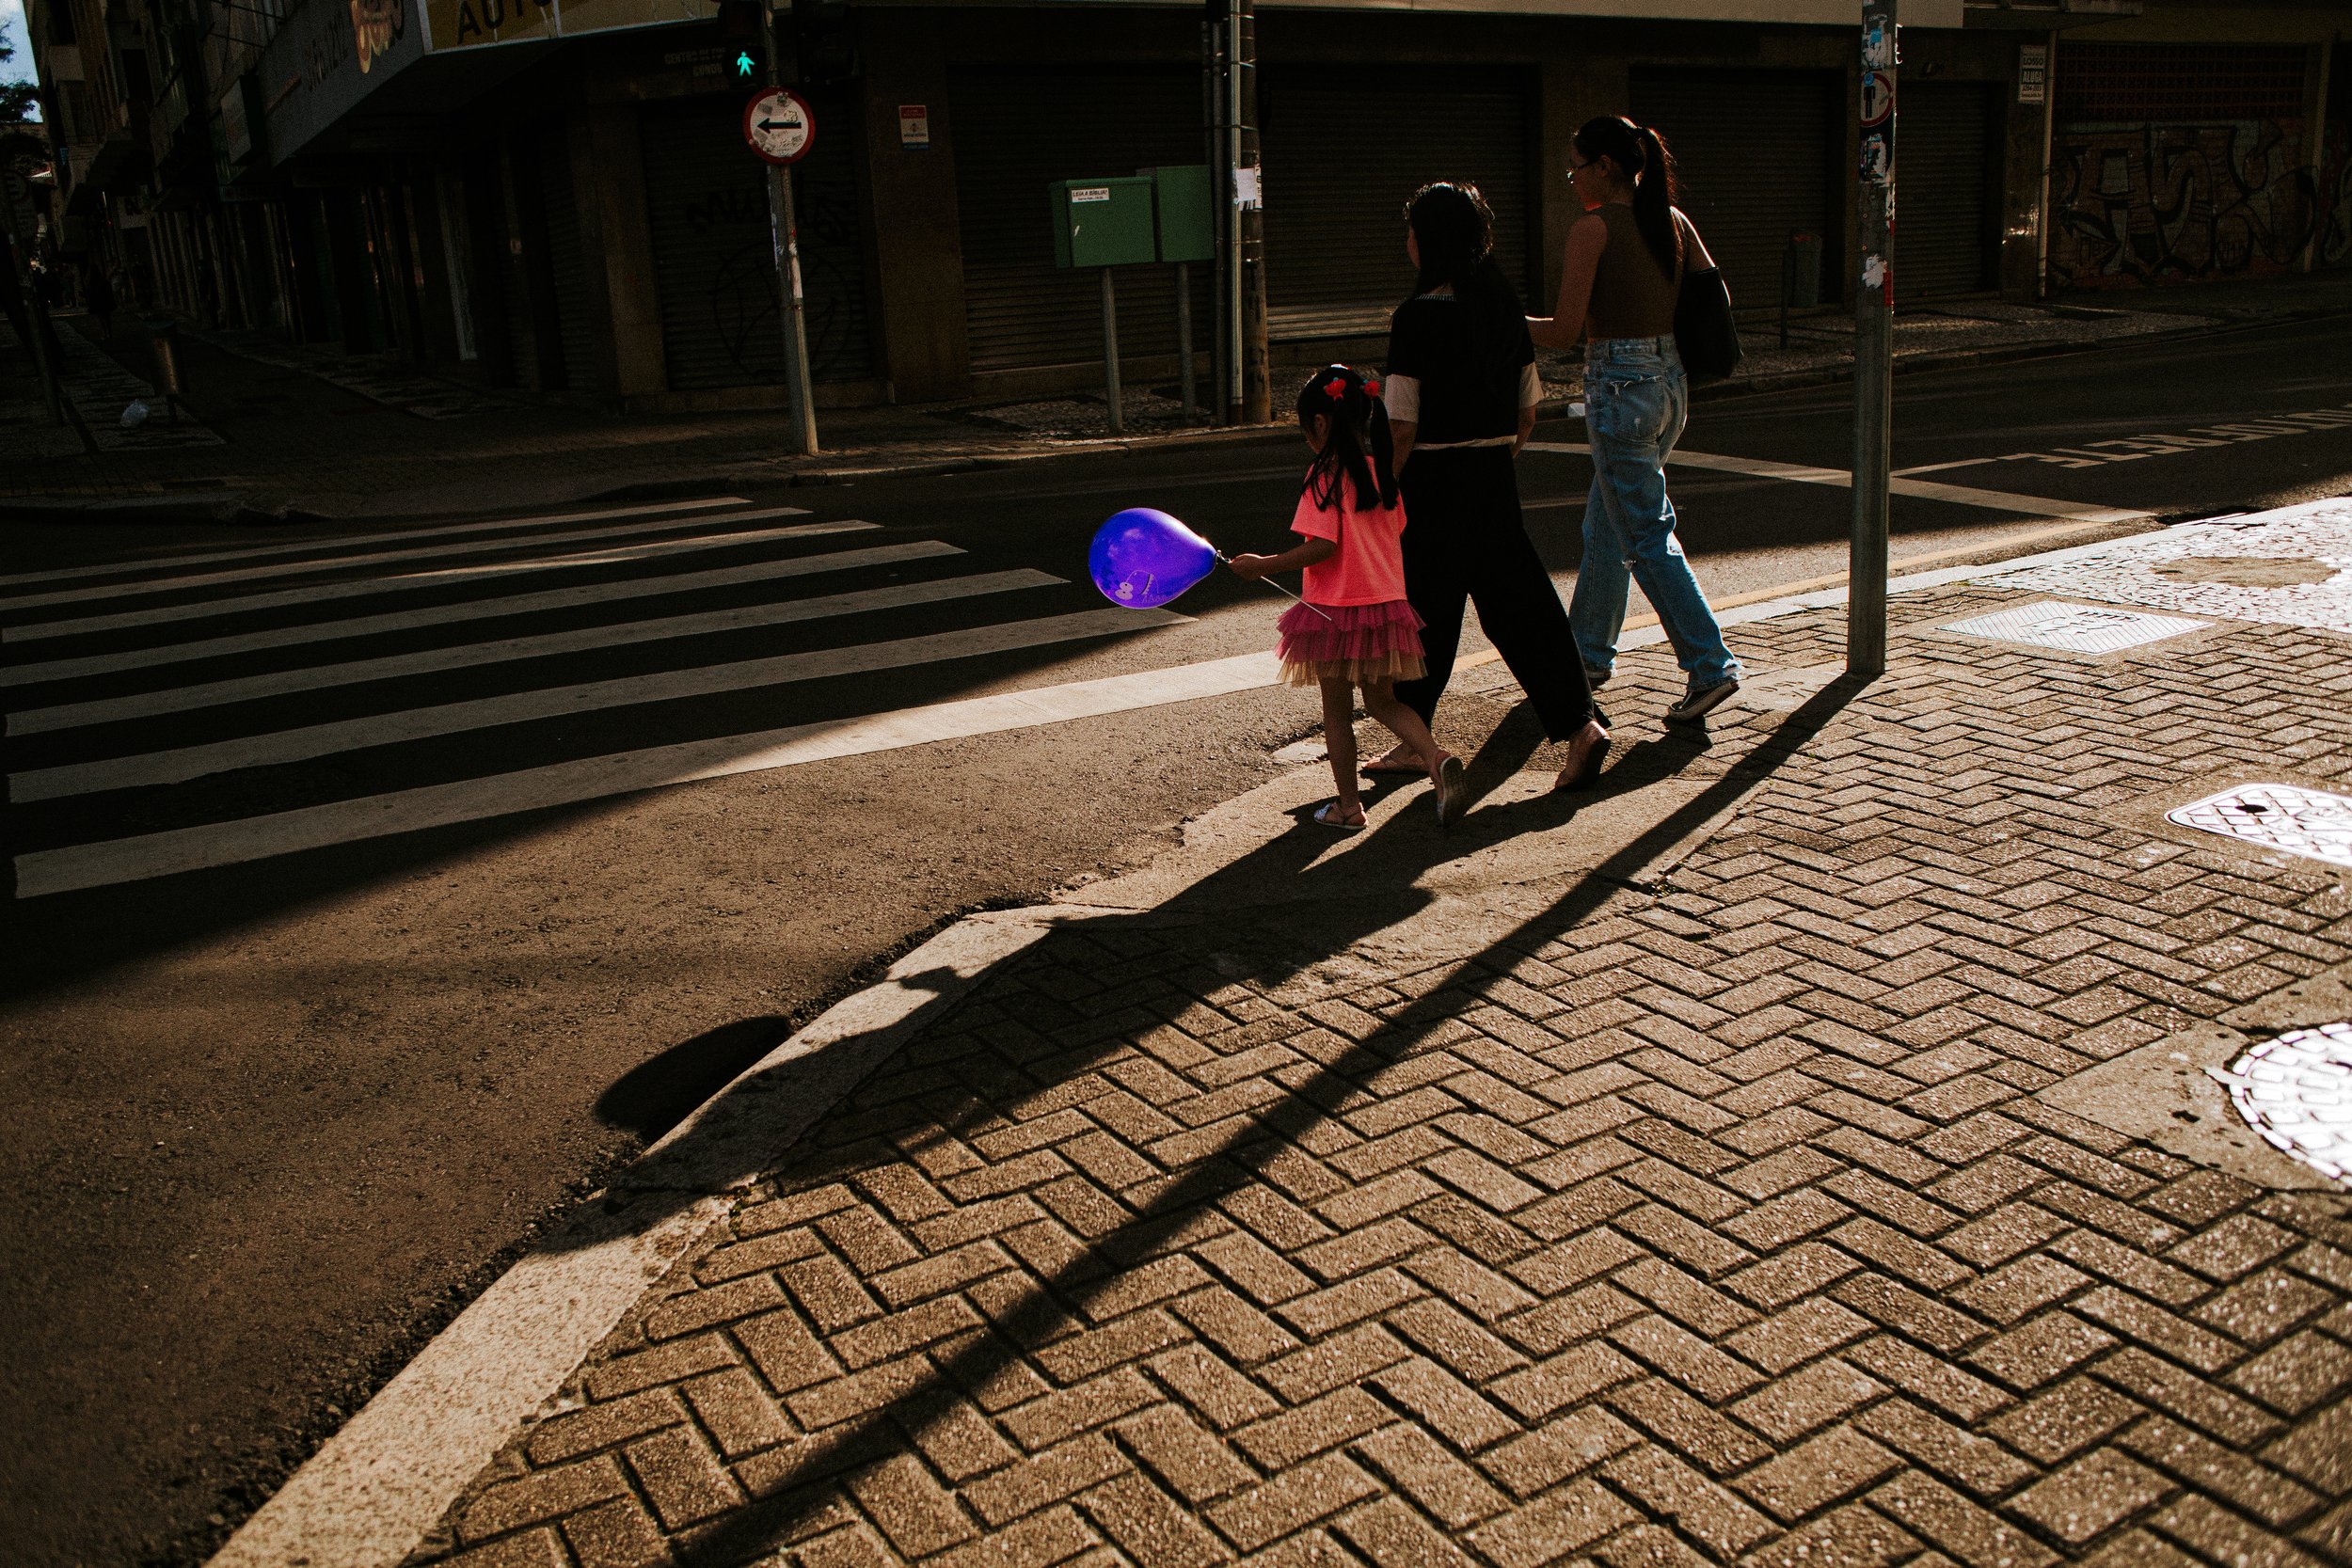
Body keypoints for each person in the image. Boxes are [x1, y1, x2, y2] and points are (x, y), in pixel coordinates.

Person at [1369, 182, 1610, 793]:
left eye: (1412, 233)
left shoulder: (1417, 316)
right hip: (1493, 475)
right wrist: (1492, 457)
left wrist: (1381, 492)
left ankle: (1413, 734)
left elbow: (1401, 425)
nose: (1406, 244)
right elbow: (1528, 411)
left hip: (1433, 480)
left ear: (1432, 242)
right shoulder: (1502, 303)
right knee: (1521, 609)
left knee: (1427, 610)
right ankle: (1580, 726)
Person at [1531, 116, 1741, 725]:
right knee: (1609, 526)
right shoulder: (1673, 222)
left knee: (1646, 535)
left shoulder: (1592, 229)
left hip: (1620, 387)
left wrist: (1496, 319)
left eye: (1574, 167)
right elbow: (1712, 297)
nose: (1570, 179)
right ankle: (1587, 653)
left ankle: (1710, 663)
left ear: (1603, 166)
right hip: (1669, 385)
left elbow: (1566, 332)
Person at [1231, 365, 1470, 831]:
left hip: (1335, 613)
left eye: (1305, 431)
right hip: (1385, 607)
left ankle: (1348, 807)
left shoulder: (1324, 476)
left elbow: (1324, 545)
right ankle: (1435, 758)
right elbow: (1393, 532)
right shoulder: (1383, 476)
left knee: (1336, 714)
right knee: (1385, 703)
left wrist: (1263, 564)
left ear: (1320, 424)